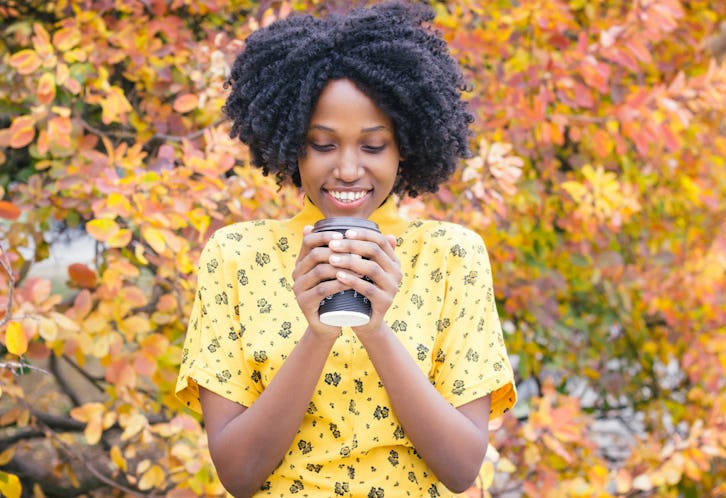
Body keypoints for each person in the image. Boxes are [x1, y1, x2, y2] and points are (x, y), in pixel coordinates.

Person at [175, 2, 516, 497]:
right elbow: (238, 474)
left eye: (374, 146)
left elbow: (462, 469)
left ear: (406, 147)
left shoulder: (452, 255)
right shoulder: (237, 255)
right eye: (323, 144)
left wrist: (376, 331)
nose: (350, 169)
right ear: (292, 143)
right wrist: (317, 334)